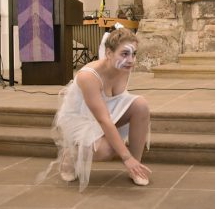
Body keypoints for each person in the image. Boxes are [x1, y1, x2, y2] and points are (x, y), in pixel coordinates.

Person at [38, 28, 151, 191]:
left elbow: (115, 104)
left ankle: (136, 168)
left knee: (141, 105)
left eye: (134, 54)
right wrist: (125, 157)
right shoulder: (88, 76)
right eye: (125, 54)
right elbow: (103, 119)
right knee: (107, 150)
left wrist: (131, 159)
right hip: (82, 117)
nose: (131, 60)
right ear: (109, 53)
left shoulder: (124, 67)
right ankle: (70, 154)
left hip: (108, 111)